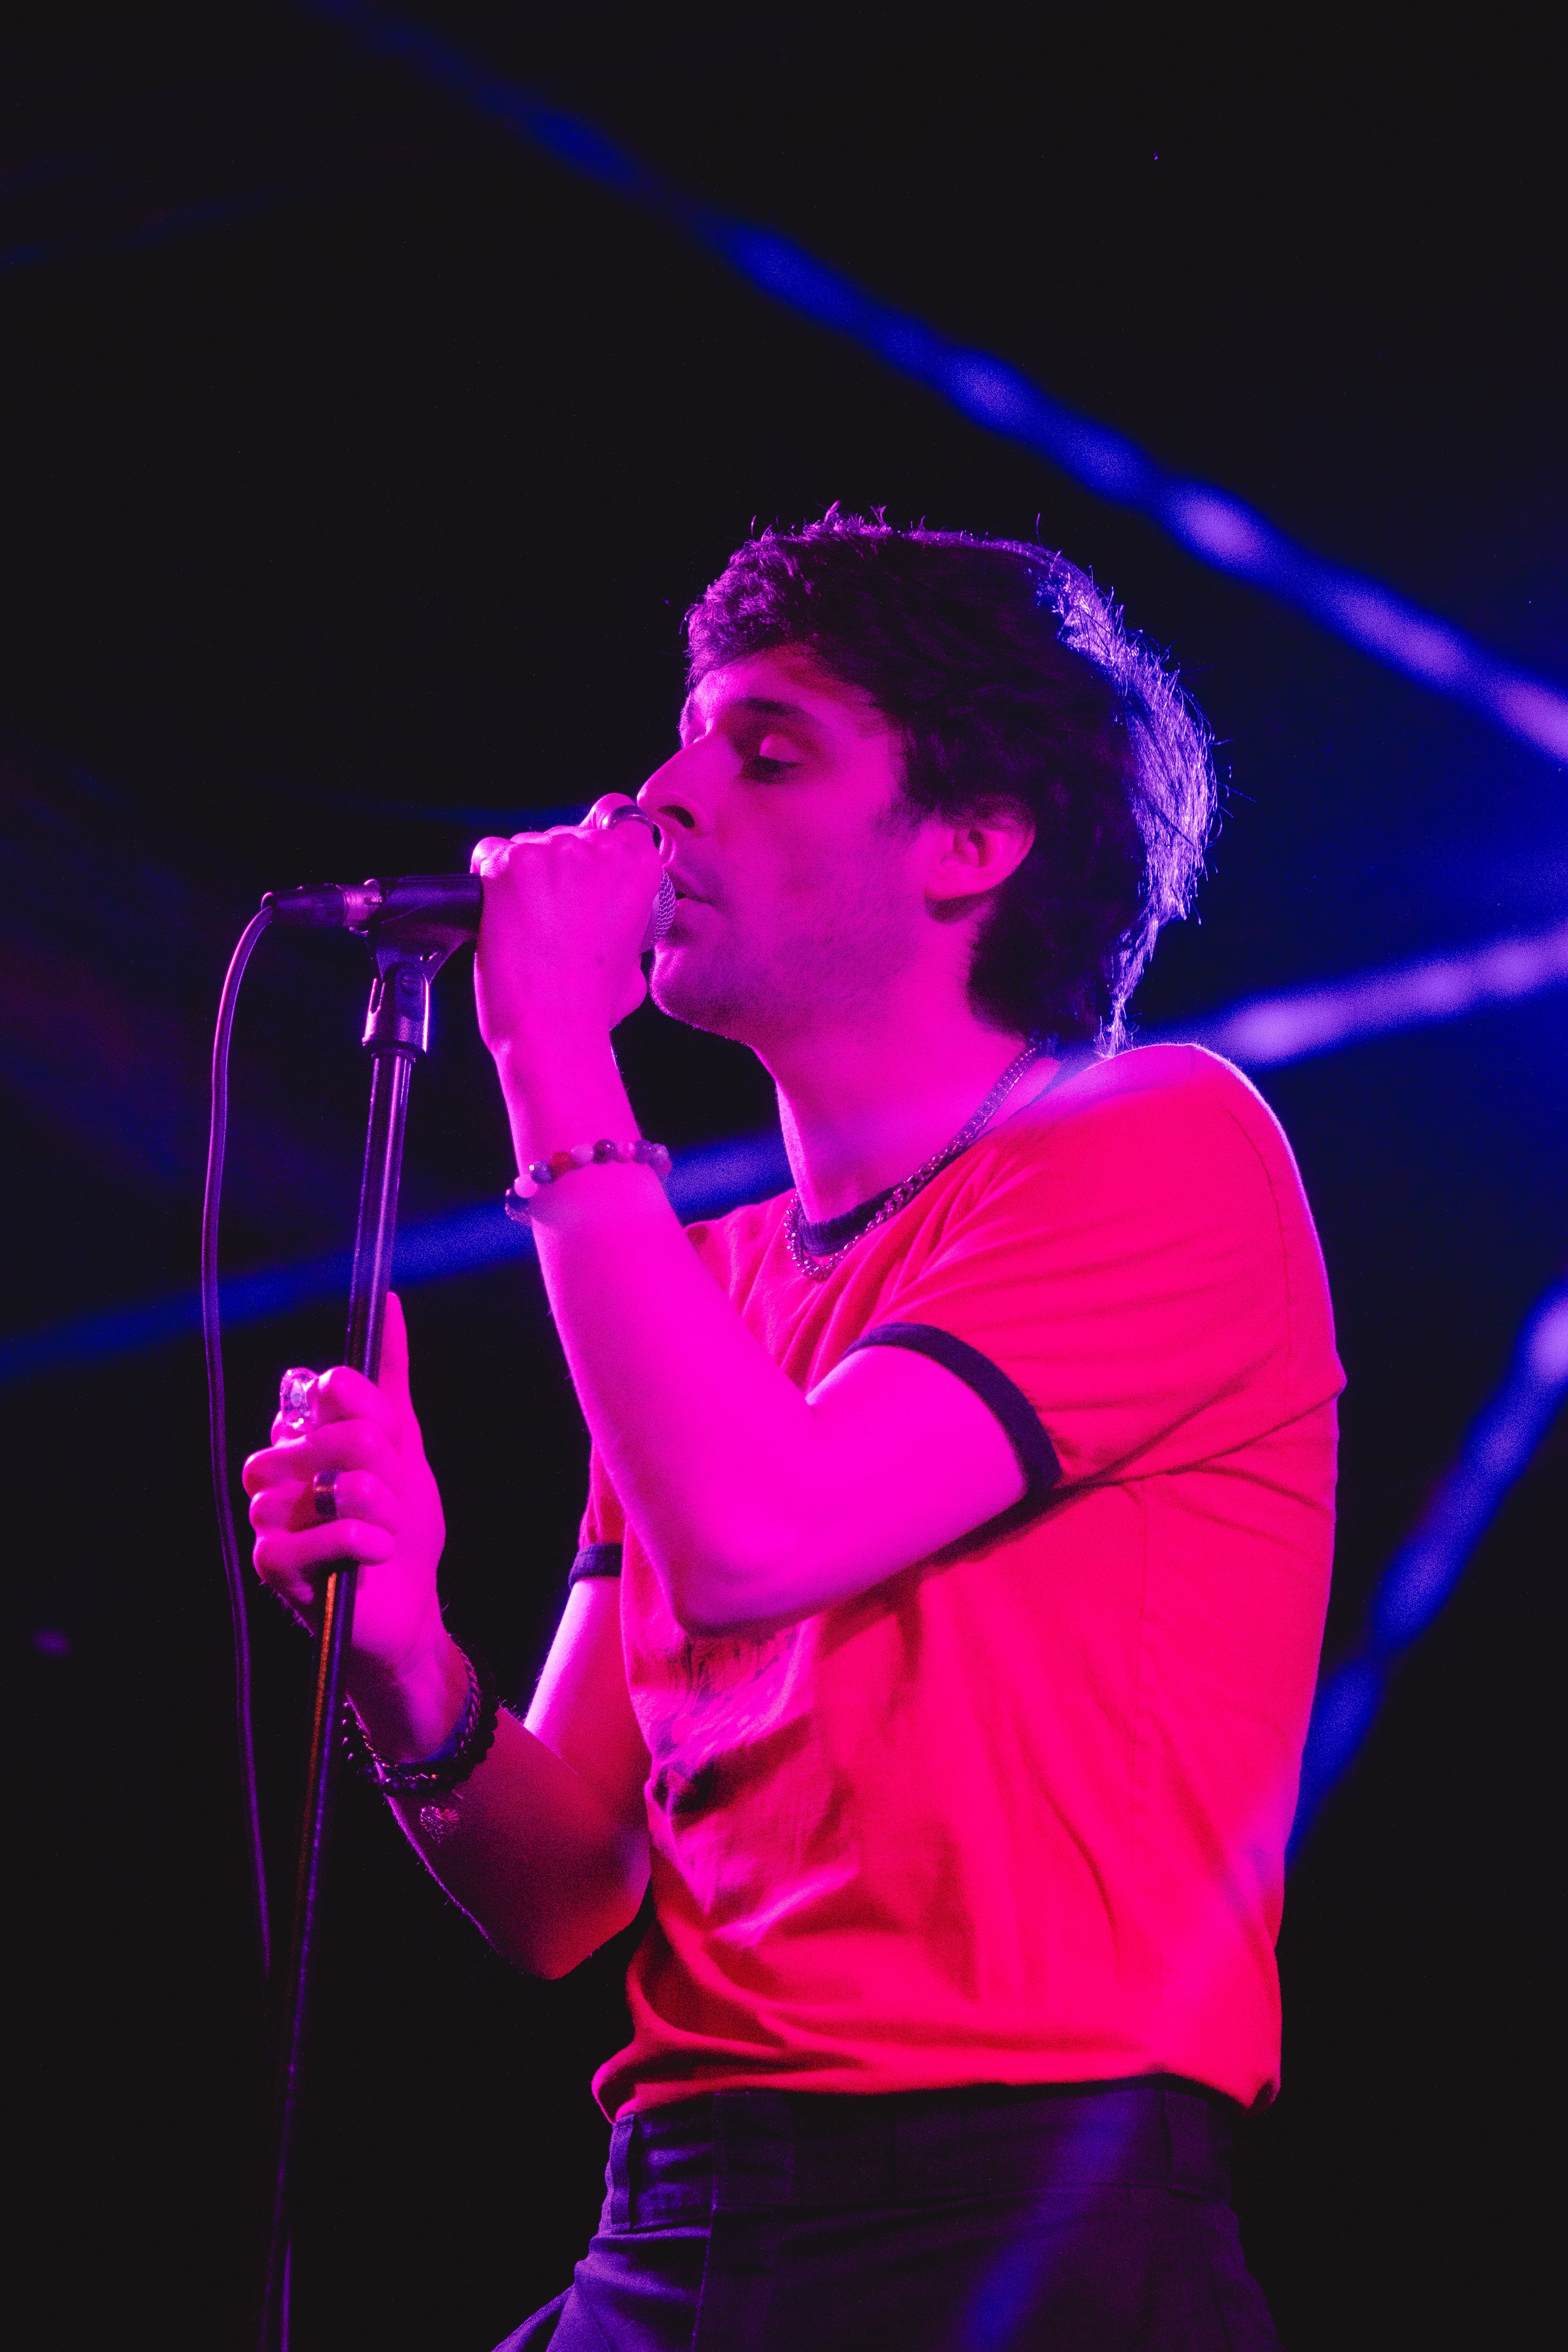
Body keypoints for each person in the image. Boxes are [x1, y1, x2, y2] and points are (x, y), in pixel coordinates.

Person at [245, 516, 1342, 2350]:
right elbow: (567, 1887)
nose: (661, 798)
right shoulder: (703, 1282)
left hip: (1009, 2220)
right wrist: (404, 1661)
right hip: (679, 2210)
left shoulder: (1159, 1139)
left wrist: (547, 1050)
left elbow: (761, 1537)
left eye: (766, 752)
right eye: (684, 738)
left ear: (975, 840)